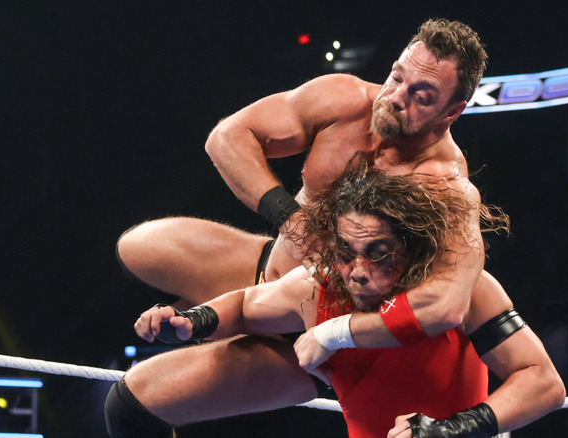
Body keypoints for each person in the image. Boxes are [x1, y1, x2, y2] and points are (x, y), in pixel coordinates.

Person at [116, 19, 497, 374]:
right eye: (397, 77)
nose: (396, 97)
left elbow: (444, 303)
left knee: (133, 401)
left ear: (452, 113)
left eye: (422, 95)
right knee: (137, 246)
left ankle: (227, 327)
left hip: (311, 332)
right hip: (265, 271)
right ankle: (209, 315)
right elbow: (227, 138)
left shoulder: (443, 185)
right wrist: (291, 219)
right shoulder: (344, 100)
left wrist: (336, 334)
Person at [105, 160, 565, 438]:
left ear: (410, 249)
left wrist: (453, 430)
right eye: (347, 253)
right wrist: (194, 321)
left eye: (378, 255)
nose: (358, 271)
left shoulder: (467, 291)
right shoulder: (321, 285)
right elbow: (246, 305)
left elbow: (543, 383)